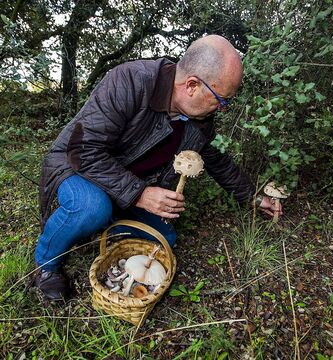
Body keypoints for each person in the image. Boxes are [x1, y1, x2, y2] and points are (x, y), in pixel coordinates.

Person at [34, 35, 279, 301]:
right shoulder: (130, 81)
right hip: (77, 168)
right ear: (192, 85)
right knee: (91, 207)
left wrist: (253, 196)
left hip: (125, 185)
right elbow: (83, 151)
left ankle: (105, 225)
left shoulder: (201, 119)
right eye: (221, 99)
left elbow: (216, 161)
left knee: (164, 237)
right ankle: (47, 265)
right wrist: (140, 194)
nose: (221, 108)